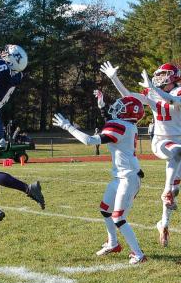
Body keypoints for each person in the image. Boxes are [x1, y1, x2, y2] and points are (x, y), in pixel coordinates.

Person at [101, 61, 181, 248]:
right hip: (160, 141)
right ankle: (166, 192)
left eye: (162, 74)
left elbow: (173, 101)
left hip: (177, 141)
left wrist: (153, 90)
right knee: (176, 153)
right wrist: (114, 78)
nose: (158, 77)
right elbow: (129, 96)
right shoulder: (153, 92)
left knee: (176, 189)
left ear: (173, 76)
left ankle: (163, 223)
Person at [0, 0, 45, 235]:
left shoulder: (0, 74)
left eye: (7, 53)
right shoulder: (14, 76)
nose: (3, 53)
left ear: (12, 60)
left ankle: (28, 189)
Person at [53, 93, 147, 265]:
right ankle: (113, 243)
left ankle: (139, 254)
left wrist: (68, 126)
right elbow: (110, 120)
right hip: (120, 176)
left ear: (128, 113)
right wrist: (102, 107)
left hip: (128, 178)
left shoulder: (121, 126)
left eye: (121, 108)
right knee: (105, 209)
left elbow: (90, 140)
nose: (116, 109)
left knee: (118, 217)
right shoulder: (125, 125)